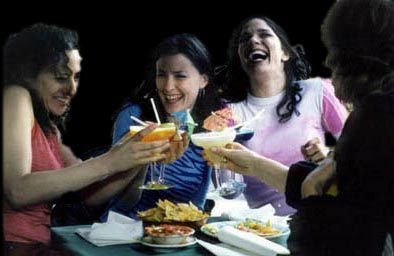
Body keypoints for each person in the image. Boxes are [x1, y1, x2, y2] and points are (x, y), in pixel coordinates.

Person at [3, 23, 173, 255]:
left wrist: (141, 154)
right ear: (29, 73)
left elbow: (90, 195)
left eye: (75, 77)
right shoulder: (15, 95)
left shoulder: (50, 131)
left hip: (40, 245)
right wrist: (110, 161)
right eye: (62, 77)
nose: (72, 88)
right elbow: (17, 191)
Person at [209, 15, 348, 216]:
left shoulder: (317, 91)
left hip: (317, 216)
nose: (253, 41)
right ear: (240, 57)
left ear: (285, 53)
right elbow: (225, 185)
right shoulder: (227, 110)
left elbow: (354, 154)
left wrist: (327, 157)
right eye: (244, 39)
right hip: (259, 226)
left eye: (264, 34)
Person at [284, 0, 394, 254]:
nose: (328, 61)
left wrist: (311, 192)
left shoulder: (376, 112)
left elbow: (335, 239)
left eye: (333, 51)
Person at [103, 33, 224, 220]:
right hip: (124, 230)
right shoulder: (134, 117)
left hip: (180, 234)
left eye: (180, 76)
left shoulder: (211, 126)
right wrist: (143, 160)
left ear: (203, 80)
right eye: (161, 75)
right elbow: (120, 201)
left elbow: (196, 206)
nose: (168, 87)